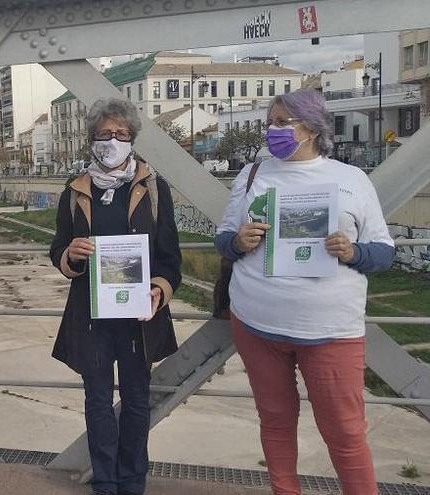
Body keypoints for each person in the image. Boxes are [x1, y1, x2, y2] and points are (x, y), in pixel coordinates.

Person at [215, 89, 394, 495]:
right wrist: (238, 241)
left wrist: (354, 251)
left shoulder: (351, 180)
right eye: (270, 122)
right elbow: (223, 240)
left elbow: (383, 254)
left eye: (283, 123)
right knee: (276, 423)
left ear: (312, 128)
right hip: (258, 327)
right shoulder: (251, 176)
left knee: (346, 434)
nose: (272, 130)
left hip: (331, 332)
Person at [49, 98, 182, 495]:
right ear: (91, 139)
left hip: (140, 317)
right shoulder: (74, 191)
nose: (113, 141)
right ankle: (105, 483)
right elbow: (57, 249)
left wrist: (160, 288)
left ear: (133, 139)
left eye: (121, 134)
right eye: (105, 134)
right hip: (91, 317)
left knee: (138, 402)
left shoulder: (154, 189)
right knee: (98, 403)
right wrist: (70, 255)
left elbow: (170, 258)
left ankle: (132, 482)